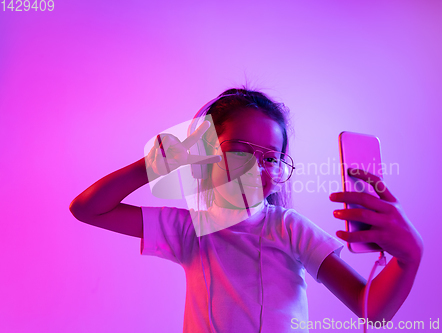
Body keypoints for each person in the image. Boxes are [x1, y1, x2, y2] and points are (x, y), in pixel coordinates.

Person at [69, 88, 423, 332]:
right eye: (238, 150)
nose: (255, 168)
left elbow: (371, 309)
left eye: (270, 157)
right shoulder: (189, 229)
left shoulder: (289, 228)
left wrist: (409, 258)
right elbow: (88, 208)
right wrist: (155, 164)